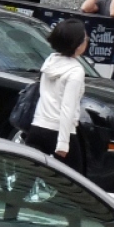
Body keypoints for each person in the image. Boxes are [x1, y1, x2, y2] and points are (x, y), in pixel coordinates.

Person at [25, 19, 88, 174]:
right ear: (77, 44)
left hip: (38, 126)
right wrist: (63, 143)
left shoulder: (50, 61)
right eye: (85, 37)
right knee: (73, 183)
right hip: (59, 131)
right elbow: (68, 107)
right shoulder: (76, 71)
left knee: (29, 177)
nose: (87, 40)